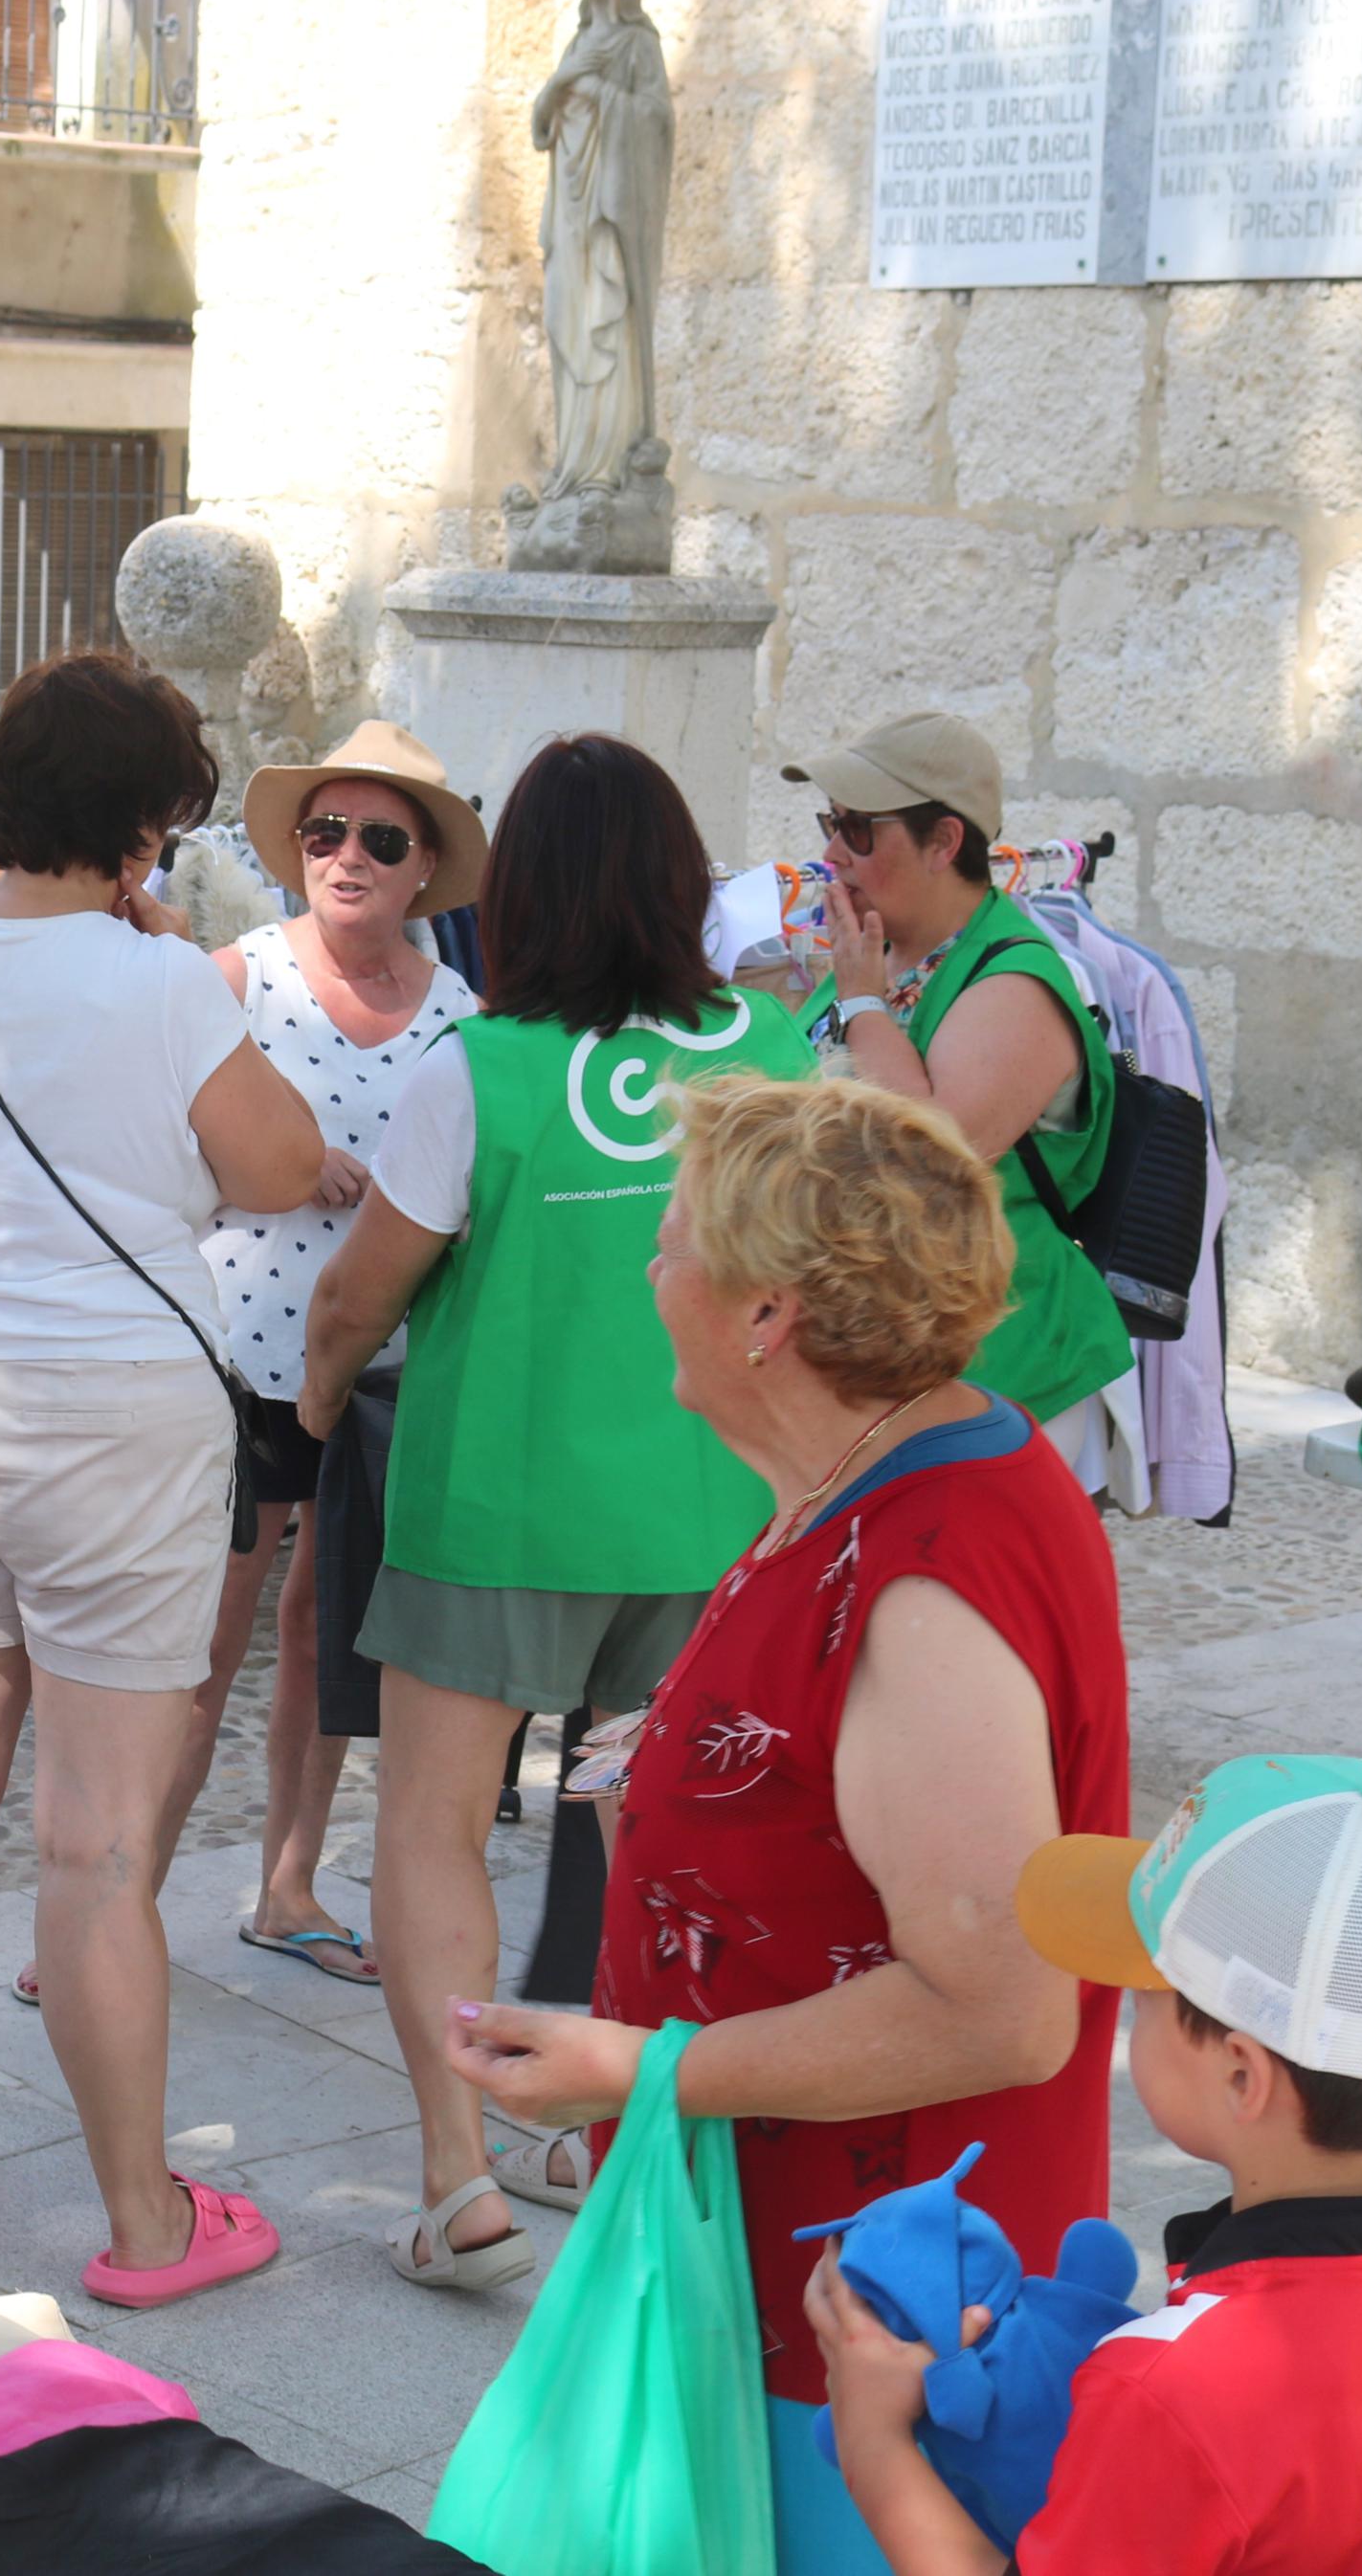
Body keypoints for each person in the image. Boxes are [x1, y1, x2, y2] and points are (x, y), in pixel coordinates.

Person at [442, 1075, 1131, 2570]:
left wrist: (639, 2068)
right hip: (805, 2258)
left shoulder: (926, 1574)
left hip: (868, 2309)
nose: (649, 1268)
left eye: (673, 1240)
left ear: (766, 1315)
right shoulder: (866, 1466)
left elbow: (1003, 2011)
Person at [0, 651, 324, 2311]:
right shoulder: (164, 985)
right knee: (94, 1843)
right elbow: (275, 1167)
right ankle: (142, 2226)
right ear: (139, 830)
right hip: (109, 1411)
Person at [294, 732, 815, 2293]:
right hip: (713, 1511)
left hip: (489, 1507)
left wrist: (317, 1420)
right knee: (662, 1839)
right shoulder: (778, 1051)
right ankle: (613, 2129)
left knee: (432, 1833)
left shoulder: (481, 1067)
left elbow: (355, 1299)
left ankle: (459, 2181)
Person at [815, 1755, 1362, 2574]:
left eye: (1145, 1996)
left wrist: (871, 2439)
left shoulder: (1169, 2389)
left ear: (1241, 2074)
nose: (1129, 2013)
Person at [182, 721, 483, 1988]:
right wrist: (289, 1160)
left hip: (379, 1369)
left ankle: (286, 1883)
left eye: (376, 838)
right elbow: (153, 1149)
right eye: (322, 832)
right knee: (197, 1637)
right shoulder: (232, 977)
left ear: (421, 870)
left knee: (326, 1636)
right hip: (235, 1358)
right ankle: (107, 1901)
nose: (343, 857)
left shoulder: (462, 1015)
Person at [784, 710, 1132, 1449]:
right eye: (829, 822)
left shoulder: (1016, 981)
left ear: (943, 841)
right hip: (895, 1368)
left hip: (1004, 1376)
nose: (830, 853)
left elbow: (929, 1158)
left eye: (859, 830)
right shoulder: (876, 951)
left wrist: (860, 1001)